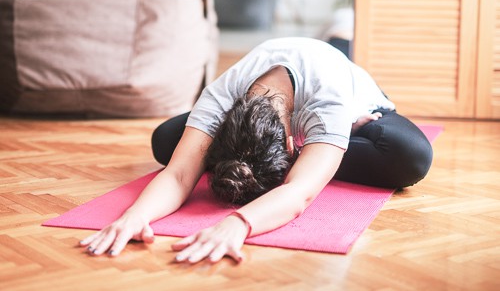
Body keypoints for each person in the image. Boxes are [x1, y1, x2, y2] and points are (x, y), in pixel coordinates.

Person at [79, 37, 433, 263]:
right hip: (286, 108)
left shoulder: (329, 99)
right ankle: (324, 153)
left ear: (294, 144)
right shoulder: (223, 92)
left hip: (360, 105)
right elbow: (179, 173)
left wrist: (239, 224)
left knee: (411, 157)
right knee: (165, 141)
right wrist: (133, 216)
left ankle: (328, 148)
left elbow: (298, 193)